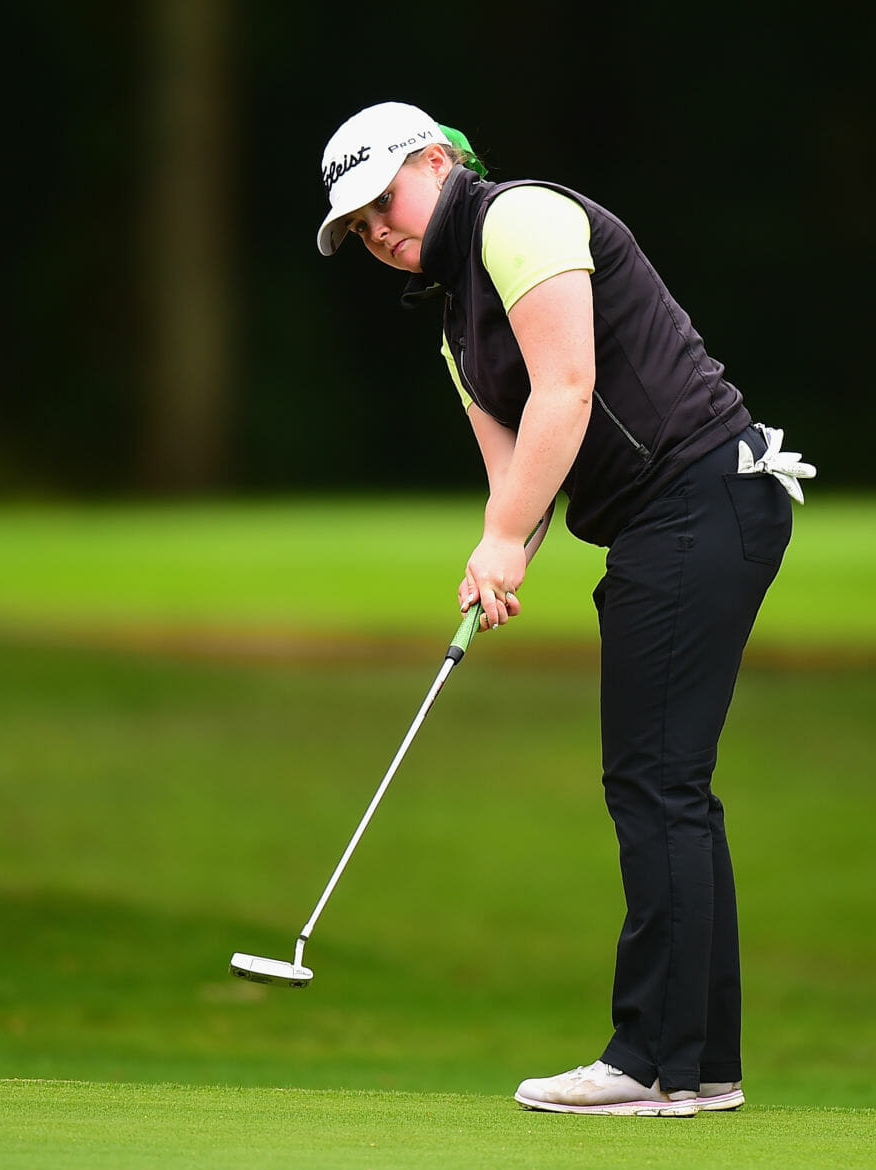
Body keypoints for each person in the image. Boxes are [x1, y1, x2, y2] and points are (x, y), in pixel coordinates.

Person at [316, 102, 813, 1117]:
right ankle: (700, 1065)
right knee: (669, 784)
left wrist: (506, 537)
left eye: (383, 202)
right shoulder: (456, 324)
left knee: (656, 781)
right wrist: (498, 556)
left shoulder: (520, 218)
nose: (377, 231)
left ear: (437, 160)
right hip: (668, 520)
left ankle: (652, 1062)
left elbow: (568, 389)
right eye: (358, 226)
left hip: (704, 495)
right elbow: (519, 481)